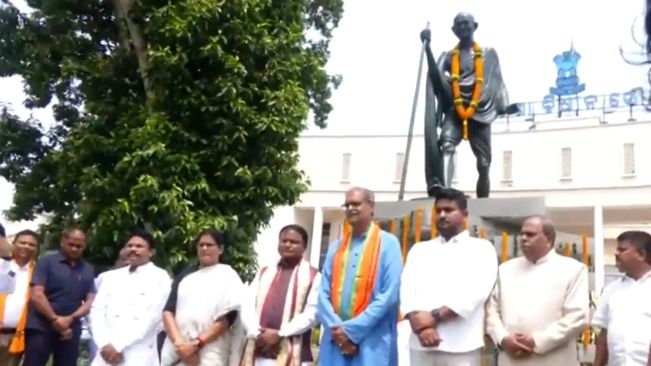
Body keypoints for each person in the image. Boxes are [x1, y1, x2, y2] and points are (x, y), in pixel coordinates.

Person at [420, 12, 513, 198]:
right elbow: (436, 78)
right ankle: (445, 194)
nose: (462, 27)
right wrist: (428, 49)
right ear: (453, 30)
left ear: (474, 26)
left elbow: (498, 81)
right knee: (446, 145)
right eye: (459, 25)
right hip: (455, 109)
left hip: (480, 111)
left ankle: (483, 202)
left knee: (484, 163)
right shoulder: (447, 57)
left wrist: (504, 106)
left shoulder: (488, 54)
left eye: (466, 24)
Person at [401, 188, 498, 366]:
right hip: (421, 342)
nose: (442, 215)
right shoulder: (420, 249)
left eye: (449, 210)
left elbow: (476, 293)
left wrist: (434, 317)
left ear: (465, 214)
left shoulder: (481, 249)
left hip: (461, 345)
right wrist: (421, 327)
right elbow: (406, 290)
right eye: (438, 211)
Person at [486, 216, 589, 366]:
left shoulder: (573, 270)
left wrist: (536, 341)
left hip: (554, 358)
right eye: (522, 234)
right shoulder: (505, 269)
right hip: (511, 358)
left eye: (530, 234)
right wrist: (503, 339)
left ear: (549, 239)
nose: (523, 238)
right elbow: (491, 312)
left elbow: (577, 317)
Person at [317, 187, 403, 366]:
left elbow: (389, 295)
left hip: (373, 338)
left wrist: (350, 331)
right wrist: (339, 333)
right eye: (347, 205)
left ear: (371, 207)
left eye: (355, 204)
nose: (350, 209)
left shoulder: (389, 244)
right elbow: (322, 294)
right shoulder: (336, 248)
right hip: (335, 340)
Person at [160, 229, 246, 366]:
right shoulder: (186, 275)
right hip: (178, 349)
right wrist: (180, 344)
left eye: (209, 245)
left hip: (211, 349)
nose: (204, 248)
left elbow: (228, 318)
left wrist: (197, 344)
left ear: (221, 249)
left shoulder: (228, 275)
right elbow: (168, 311)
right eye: (201, 245)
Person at [241, 224, 321, 366]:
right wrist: (257, 333)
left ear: (304, 247)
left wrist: (280, 334)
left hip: (295, 353)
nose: (288, 245)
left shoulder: (314, 276)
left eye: (294, 242)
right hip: (259, 348)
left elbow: (313, 313)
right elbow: (247, 304)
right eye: (284, 241)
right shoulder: (264, 272)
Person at [89, 230, 171, 366]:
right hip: (105, 353)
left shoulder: (160, 278)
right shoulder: (111, 277)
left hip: (138, 354)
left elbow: (152, 318)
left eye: (139, 246)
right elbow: (97, 310)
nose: (133, 249)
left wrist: (118, 346)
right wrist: (103, 344)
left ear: (151, 252)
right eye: (130, 245)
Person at [23, 227, 96, 366]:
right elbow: (37, 294)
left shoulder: (88, 268)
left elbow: (90, 300)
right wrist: (55, 319)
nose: (75, 249)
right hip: (41, 326)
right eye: (71, 245)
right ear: (62, 242)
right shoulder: (46, 262)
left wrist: (70, 319)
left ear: (84, 246)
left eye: (79, 246)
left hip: (70, 329)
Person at [593, 230, 651, 366]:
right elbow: (602, 332)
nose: (616, 254)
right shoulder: (611, 289)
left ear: (641, 254)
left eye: (622, 250)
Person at [0, 230, 39, 366]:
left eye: (31, 244)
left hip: (16, 335)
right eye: (22, 242)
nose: (26, 246)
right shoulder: (2, 266)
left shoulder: (38, 272)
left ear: (36, 248)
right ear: (14, 243)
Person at [86, 246, 130, 361]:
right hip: (102, 335)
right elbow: (94, 307)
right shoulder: (105, 278)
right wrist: (101, 338)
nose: (128, 263)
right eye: (124, 260)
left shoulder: (150, 279)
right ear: (118, 261)